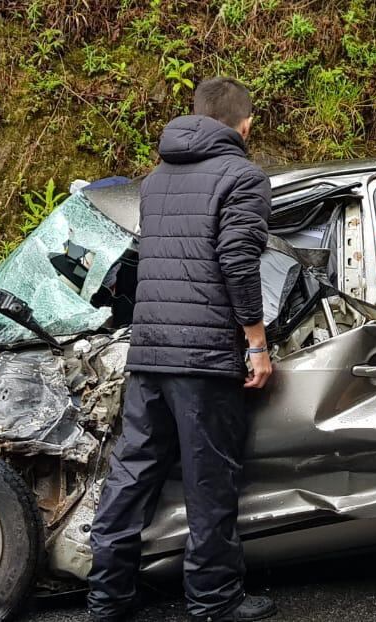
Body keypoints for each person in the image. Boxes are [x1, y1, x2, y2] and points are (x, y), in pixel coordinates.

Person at [87, 77, 277, 622]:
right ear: (245, 125)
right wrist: (257, 342)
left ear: (194, 116)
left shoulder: (156, 180)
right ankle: (214, 601)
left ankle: (109, 596)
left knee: (132, 474)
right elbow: (238, 263)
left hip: (149, 350)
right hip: (204, 356)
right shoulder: (244, 177)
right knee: (209, 479)